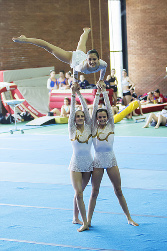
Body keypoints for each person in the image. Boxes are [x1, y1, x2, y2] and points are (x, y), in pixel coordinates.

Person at [87, 82, 139, 227]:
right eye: (100, 117)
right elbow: (95, 111)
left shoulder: (111, 125)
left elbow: (109, 109)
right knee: (94, 192)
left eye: (104, 117)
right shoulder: (93, 127)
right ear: (96, 119)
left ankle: (128, 217)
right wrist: (98, 94)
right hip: (97, 162)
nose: (103, 119)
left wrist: (104, 92)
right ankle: (89, 220)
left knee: (118, 191)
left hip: (111, 161)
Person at [12, 28, 107, 83]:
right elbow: (75, 69)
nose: (92, 62)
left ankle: (86, 31)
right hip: (72, 58)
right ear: (87, 59)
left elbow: (104, 69)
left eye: (94, 59)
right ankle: (25, 39)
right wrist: (75, 81)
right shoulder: (82, 67)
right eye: (90, 59)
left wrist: (101, 80)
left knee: (82, 42)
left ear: (98, 59)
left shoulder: (103, 64)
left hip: (81, 55)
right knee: (48, 47)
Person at [68, 83, 93, 232]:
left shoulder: (89, 127)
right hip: (76, 164)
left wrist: (80, 94)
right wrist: (72, 95)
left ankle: (75, 217)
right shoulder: (72, 129)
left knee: (79, 193)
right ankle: (85, 222)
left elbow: (86, 111)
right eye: (77, 116)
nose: (79, 117)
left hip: (88, 165)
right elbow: (72, 112)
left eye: (81, 116)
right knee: (79, 193)